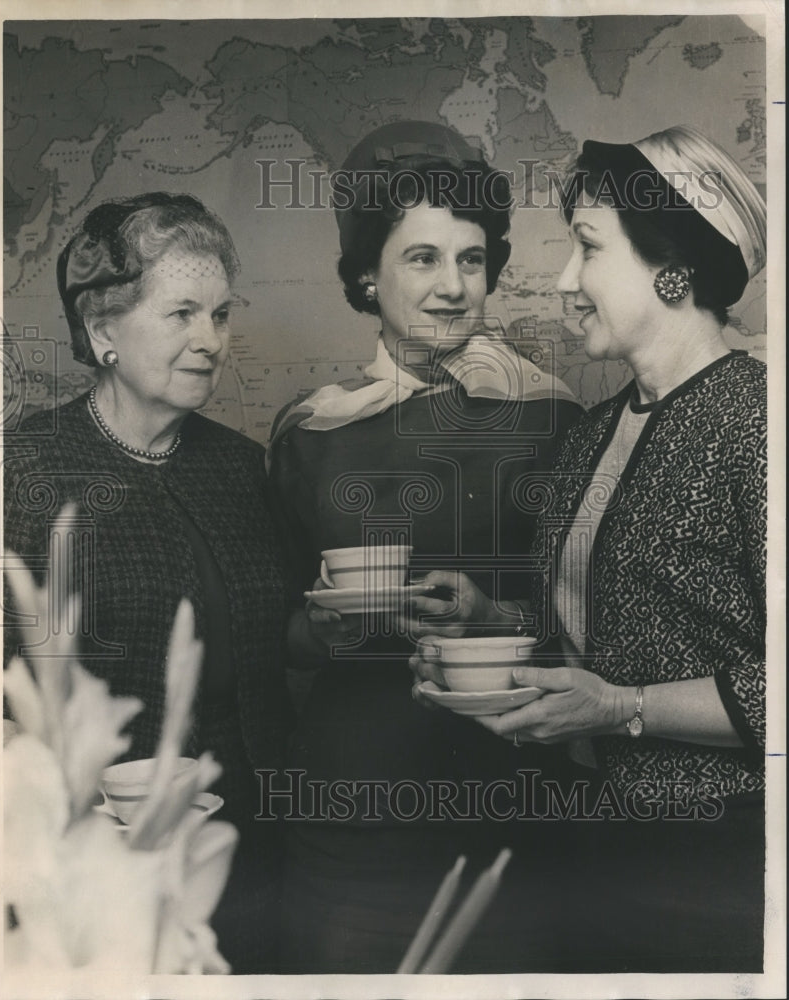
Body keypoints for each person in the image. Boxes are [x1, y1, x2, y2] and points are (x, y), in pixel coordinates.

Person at [410, 125, 767, 972]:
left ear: (671, 267)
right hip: (583, 840)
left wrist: (624, 708)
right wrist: (489, 619)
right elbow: (603, 629)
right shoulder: (596, 429)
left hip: (717, 863)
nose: (565, 282)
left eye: (587, 248)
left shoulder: (761, 422)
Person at [267, 120, 583, 972]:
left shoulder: (555, 418)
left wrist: (492, 617)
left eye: (471, 260)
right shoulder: (310, 430)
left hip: (512, 798)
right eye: (422, 259)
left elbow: (596, 628)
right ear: (366, 275)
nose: (454, 287)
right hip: (352, 804)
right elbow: (279, 632)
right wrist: (320, 630)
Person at [3, 193, 291, 973]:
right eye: (182, 314)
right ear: (103, 332)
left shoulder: (238, 467)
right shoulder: (23, 468)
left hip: (250, 845)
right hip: (98, 858)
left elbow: (272, 634)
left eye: (221, 316)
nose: (211, 341)